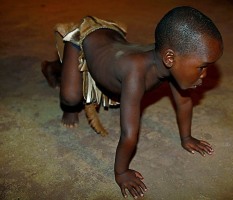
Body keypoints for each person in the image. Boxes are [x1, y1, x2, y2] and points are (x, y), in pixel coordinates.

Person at [42, 6, 223, 199]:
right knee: (71, 98)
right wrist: (121, 172)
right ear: (170, 58)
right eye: (201, 67)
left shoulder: (168, 61)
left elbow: (184, 103)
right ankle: (52, 68)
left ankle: (64, 71)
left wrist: (186, 138)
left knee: (104, 71)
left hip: (112, 37)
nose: (204, 75)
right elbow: (129, 134)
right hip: (84, 39)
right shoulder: (136, 73)